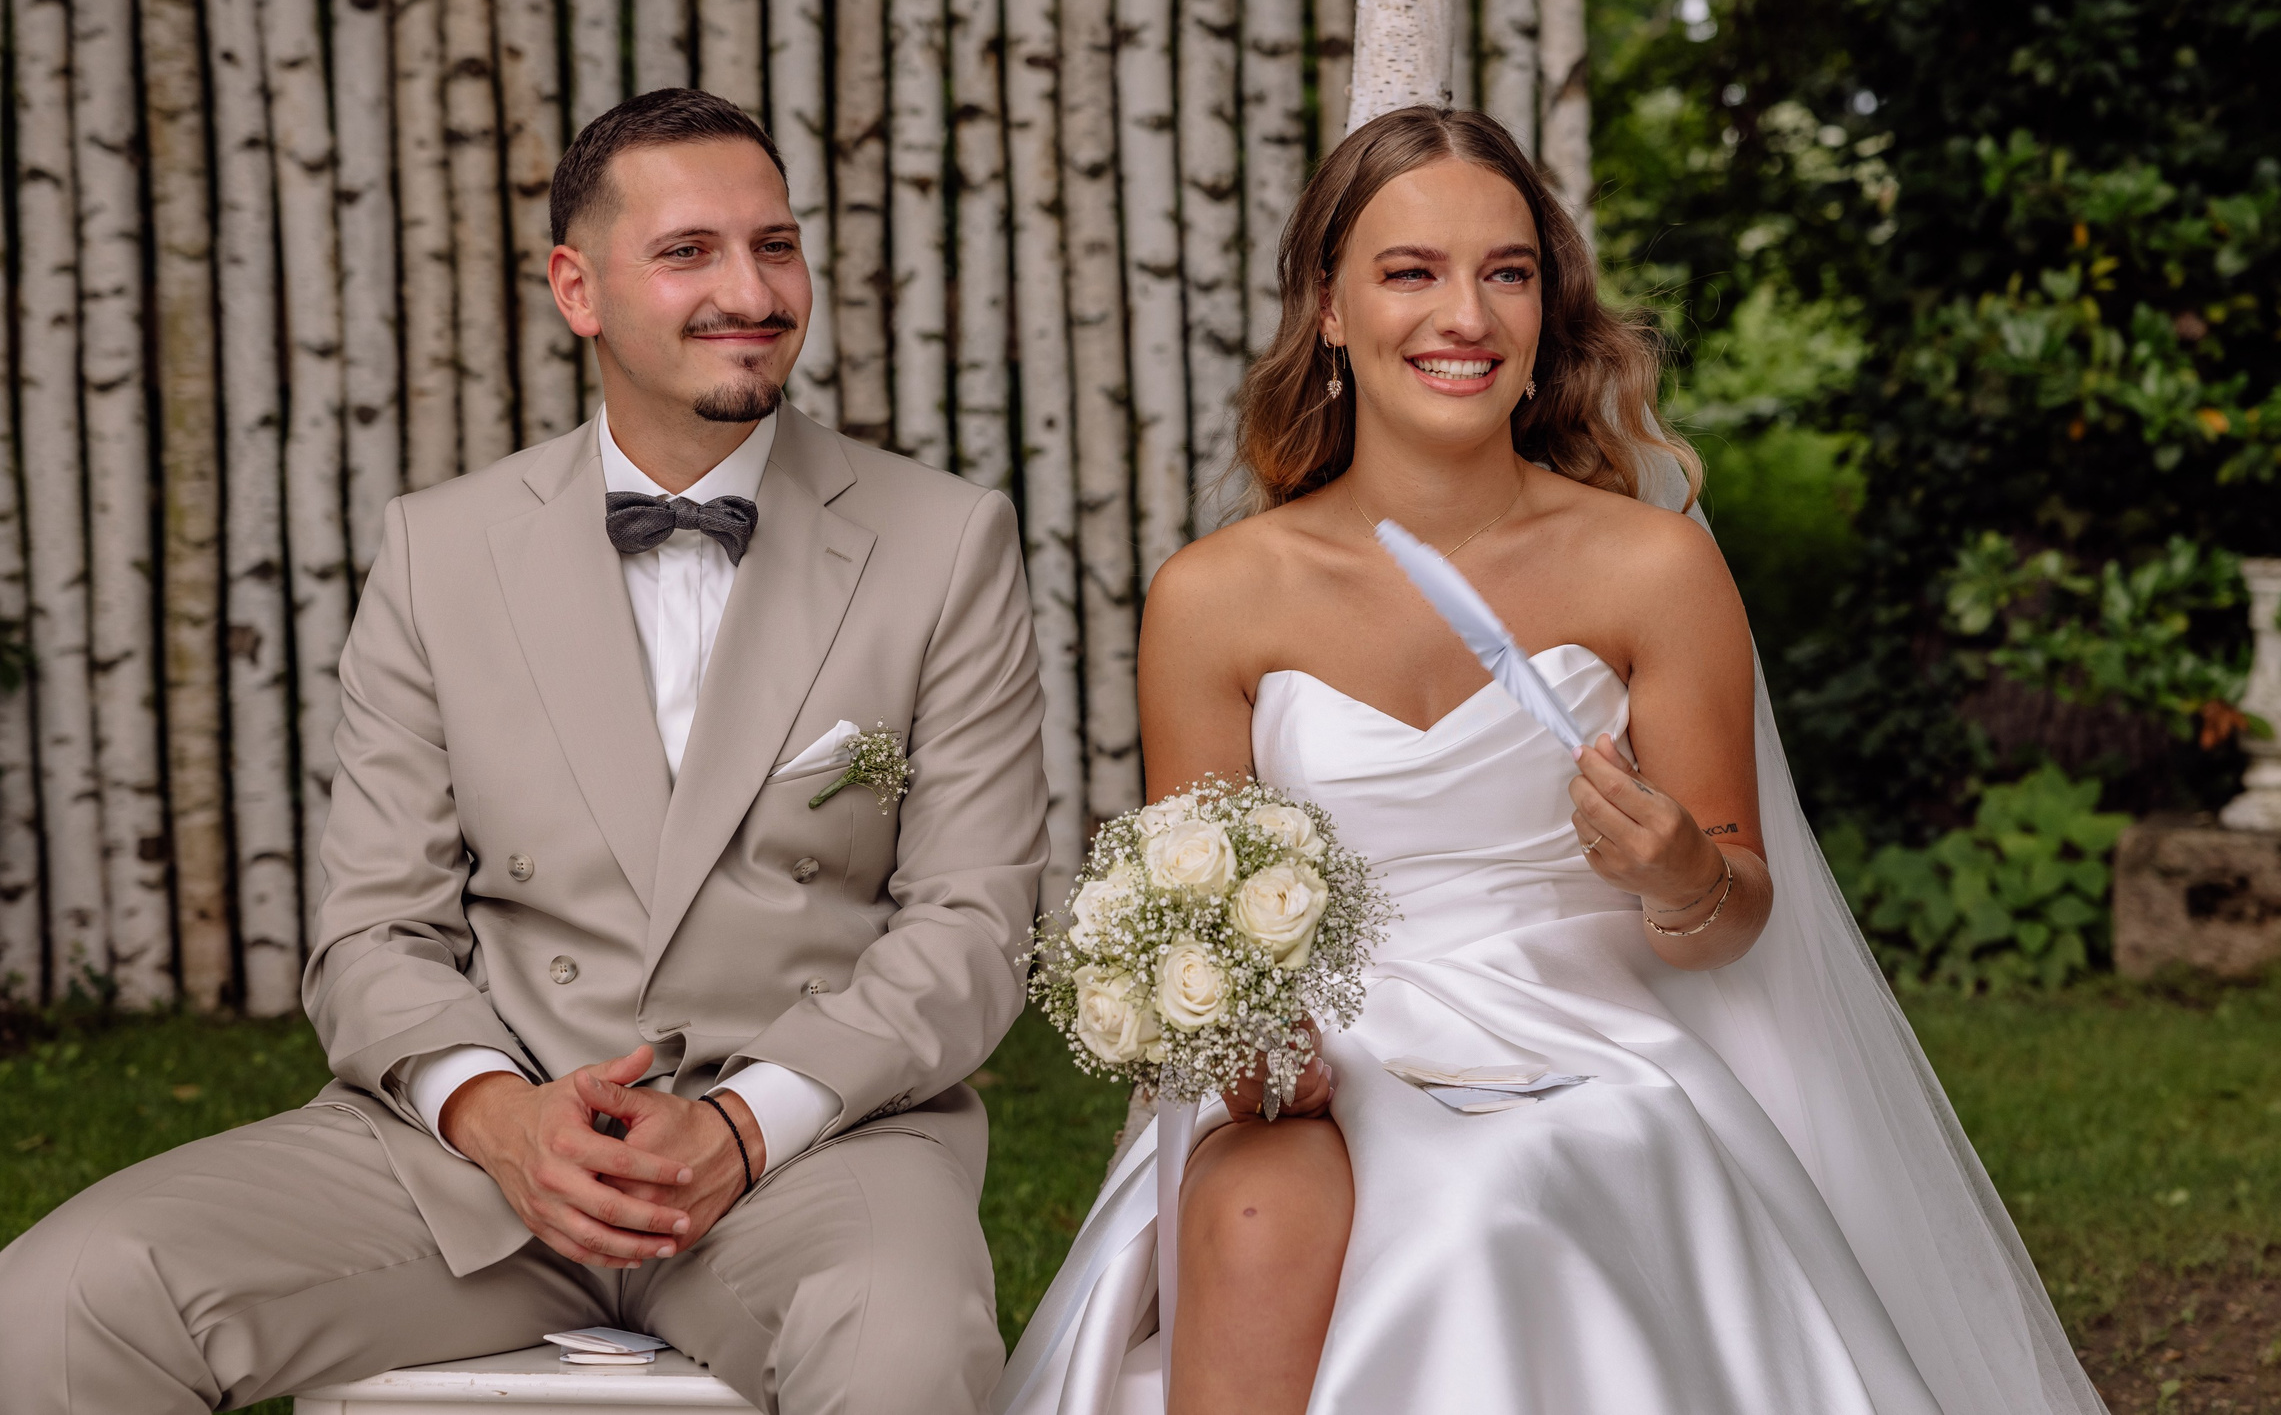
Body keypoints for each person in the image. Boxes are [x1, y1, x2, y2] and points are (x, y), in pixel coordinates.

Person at [994, 106, 2108, 1415]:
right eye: (1411, 272)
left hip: (1581, 1055)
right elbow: (1202, 921)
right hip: (1313, 1069)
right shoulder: (1215, 598)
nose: (1463, 314)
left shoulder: (1651, 563)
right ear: (1332, 311)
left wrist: (1684, 867)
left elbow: (1729, 920)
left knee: (1481, 1211)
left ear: (1546, 307)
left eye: (1505, 272)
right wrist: (1248, 1044)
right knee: (1246, 1219)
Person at [0, 89, 1046, 1414]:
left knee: (906, 1343)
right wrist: (500, 1119)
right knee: (64, 1299)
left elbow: (974, 922)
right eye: (690, 253)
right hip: (475, 1160)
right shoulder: (443, 550)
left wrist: (740, 1125)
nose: (752, 290)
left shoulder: (945, 544)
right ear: (578, 287)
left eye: (775, 246)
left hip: (814, 1147)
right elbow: (376, 929)